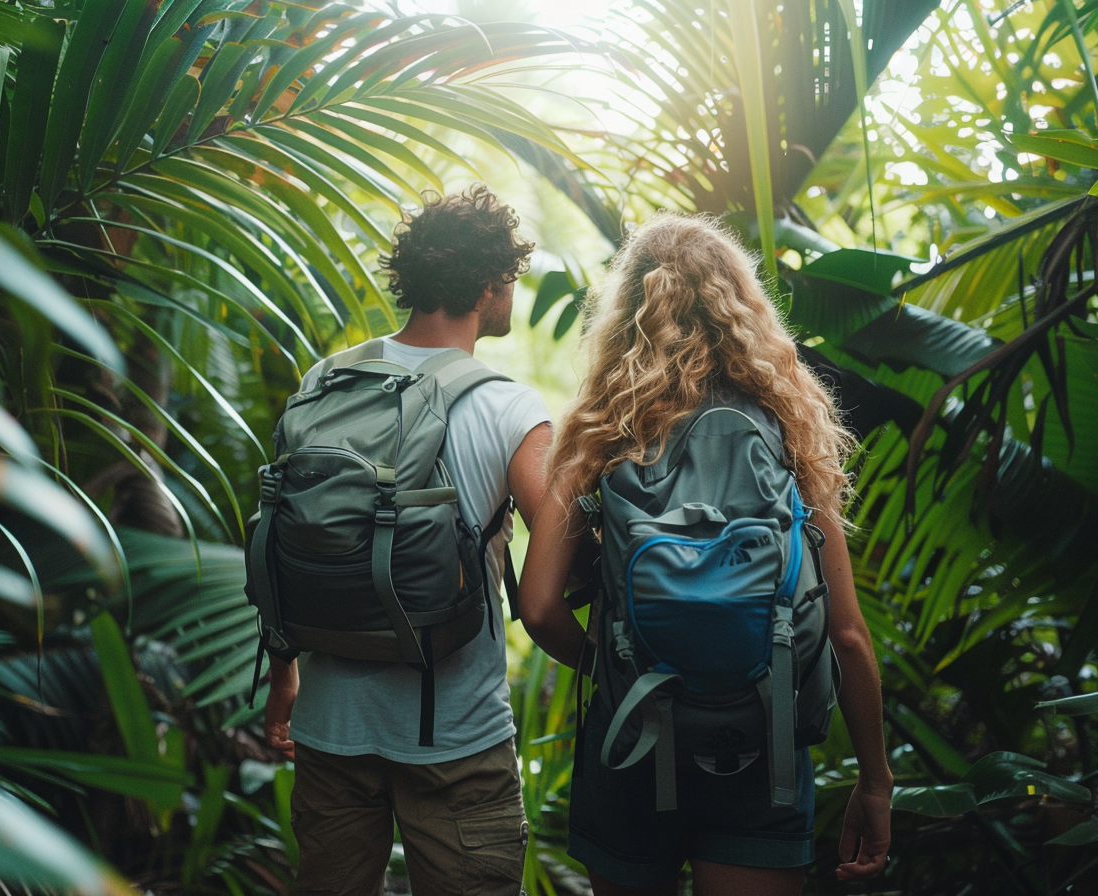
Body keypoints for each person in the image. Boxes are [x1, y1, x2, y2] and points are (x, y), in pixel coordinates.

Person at [518, 212, 892, 896]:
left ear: (626, 316)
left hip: (631, 742)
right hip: (762, 745)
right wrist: (876, 781)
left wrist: (622, 669)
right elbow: (846, 634)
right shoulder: (789, 432)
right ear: (742, 309)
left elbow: (539, 607)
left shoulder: (599, 433)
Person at [262, 185, 553, 896]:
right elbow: (563, 557)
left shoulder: (325, 382)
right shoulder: (508, 407)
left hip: (329, 726)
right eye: (509, 277)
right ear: (486, 287)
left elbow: (283, 538)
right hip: (457, 739)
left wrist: (282, 680)